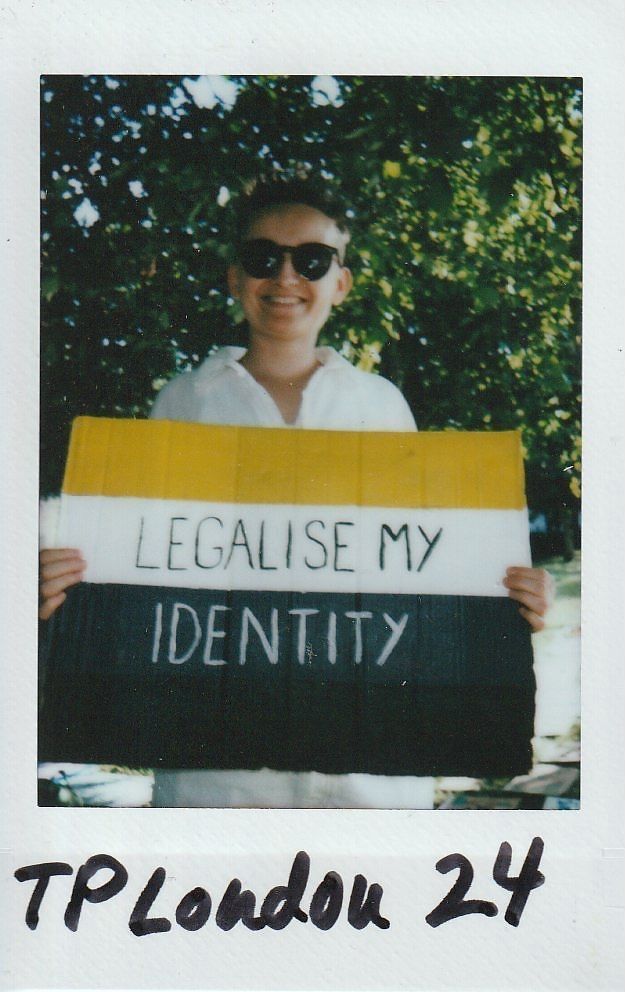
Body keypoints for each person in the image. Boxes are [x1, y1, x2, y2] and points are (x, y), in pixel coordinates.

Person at [39, 177, 554, 808]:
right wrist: (72, 590)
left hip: (369, 786)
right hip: (217, 781)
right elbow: (143, 573)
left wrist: (503, 600)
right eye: (263, 258)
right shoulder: (182, 402)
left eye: (311, 260)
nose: (285, 277)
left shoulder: (383, 406)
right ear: (235, 278)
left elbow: (424, 576)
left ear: (340, 282)